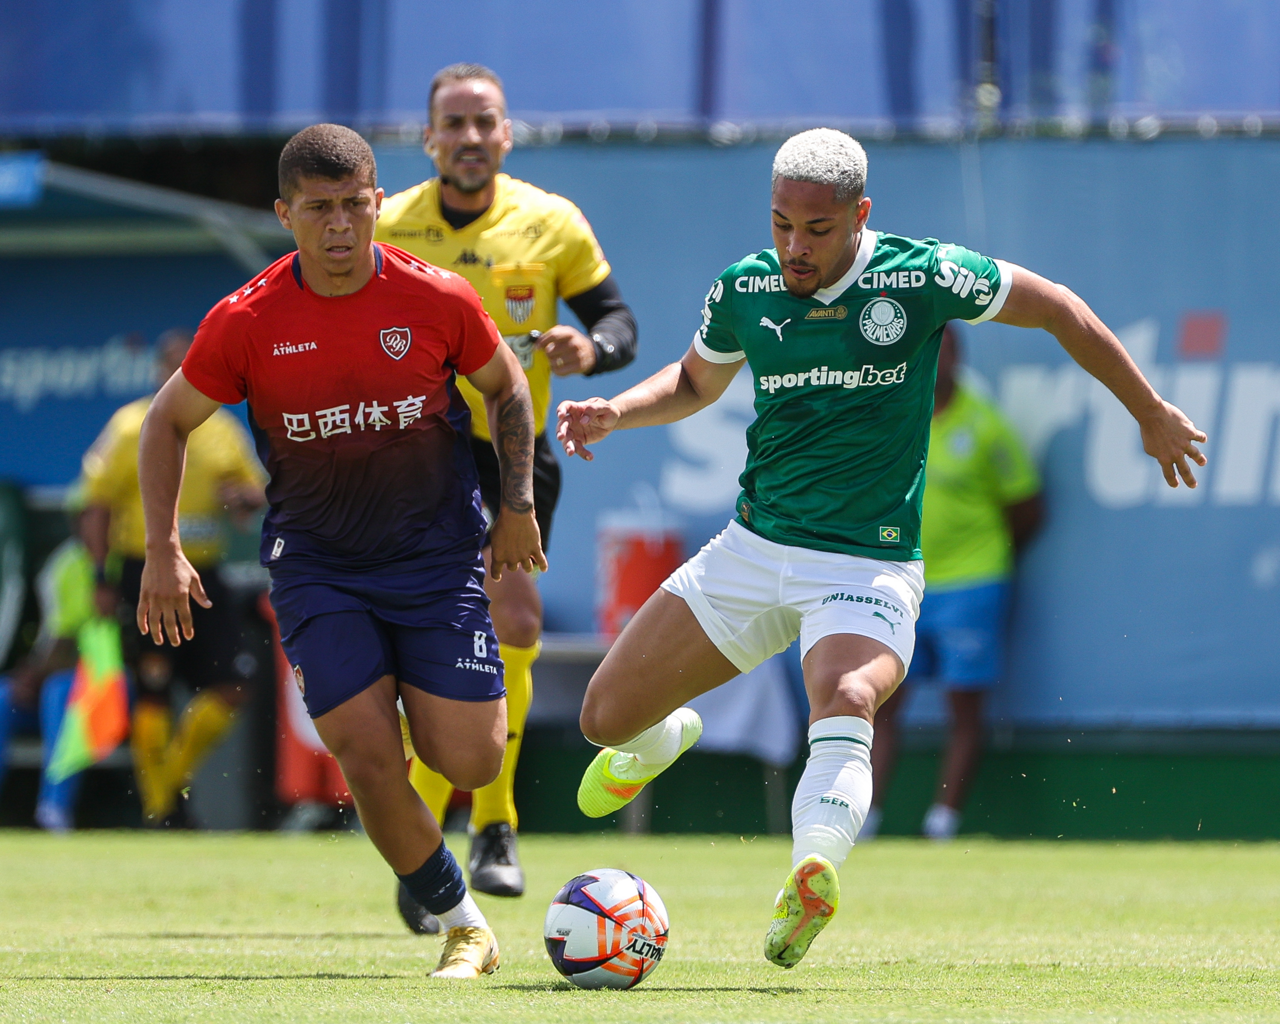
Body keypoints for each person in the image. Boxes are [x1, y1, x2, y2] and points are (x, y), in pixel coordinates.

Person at [556, 128, 1206, 969]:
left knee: (849, 691)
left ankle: (811, 870)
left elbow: (1059, 308)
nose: (794, 246)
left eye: (817, 230)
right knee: (603, 719)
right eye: (782, 223)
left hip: (866, 564)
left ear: (860, 215)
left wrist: (1148, 409)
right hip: (752, 548)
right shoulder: (745, 288)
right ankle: (669, 730)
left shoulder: (922, 274)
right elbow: (693, 380)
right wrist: (617, 410)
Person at [135, 124, 544, 979]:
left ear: (378, 205)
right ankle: (464, 926)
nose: (339, 226)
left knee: (466, 756)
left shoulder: (436, 298)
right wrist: (163, 548)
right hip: (319, 566)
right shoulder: (246, 320)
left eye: (355, 206)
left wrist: (517, 505)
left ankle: (419, 721)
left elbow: (506, 386)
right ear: (285, 215)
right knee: (363, 751)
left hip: (436, 559)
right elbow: (167, 422)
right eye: (318, 210)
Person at [374, 62, 637, 919]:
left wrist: (588, 350)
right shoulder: (385, 226)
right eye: (454, 124)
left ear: (506, 134)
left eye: (485, 121)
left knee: (516, 621)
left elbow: (618, 321)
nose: (470, 137)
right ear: (429, 139)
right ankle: (430, 851)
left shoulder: (551, 222)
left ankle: (493, 823)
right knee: (426, 646)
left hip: (513, 451)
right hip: (413, 455)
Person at [864, 323, 1043, 841]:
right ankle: (866, 819)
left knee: (963, 706)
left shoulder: (987, 426)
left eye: (946, 351)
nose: (936, 362)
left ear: (959, 357)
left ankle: (943, 821)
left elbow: (1028, 508)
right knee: (881, 704)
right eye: (927, 351)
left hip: (972, 584)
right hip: (902, 585)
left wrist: (981, 558)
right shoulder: (894, 419)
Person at [82, 328, 266, 826]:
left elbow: (250, 494)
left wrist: (242, 500)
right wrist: (101, 577)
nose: (182, 375)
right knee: (154, 685)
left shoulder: (221, 428)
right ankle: (161, 811)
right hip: (144, 570)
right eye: (173, 366)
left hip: (203, 573)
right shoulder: (129, 426)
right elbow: (96, 507)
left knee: (232, 684)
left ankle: (166, 788)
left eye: (191, 366)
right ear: (159, 371)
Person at [0, 487, 110, 831]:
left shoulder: (135, 560)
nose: (92, 526)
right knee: (4, 696)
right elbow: (57, 640)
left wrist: (43, 672)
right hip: (66, 680)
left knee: (61, 692)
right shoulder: (64, 565)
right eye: (85, 517)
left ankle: (53, 811)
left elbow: (105, 651)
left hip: (115, 690)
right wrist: (30, 673)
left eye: (102, 517)